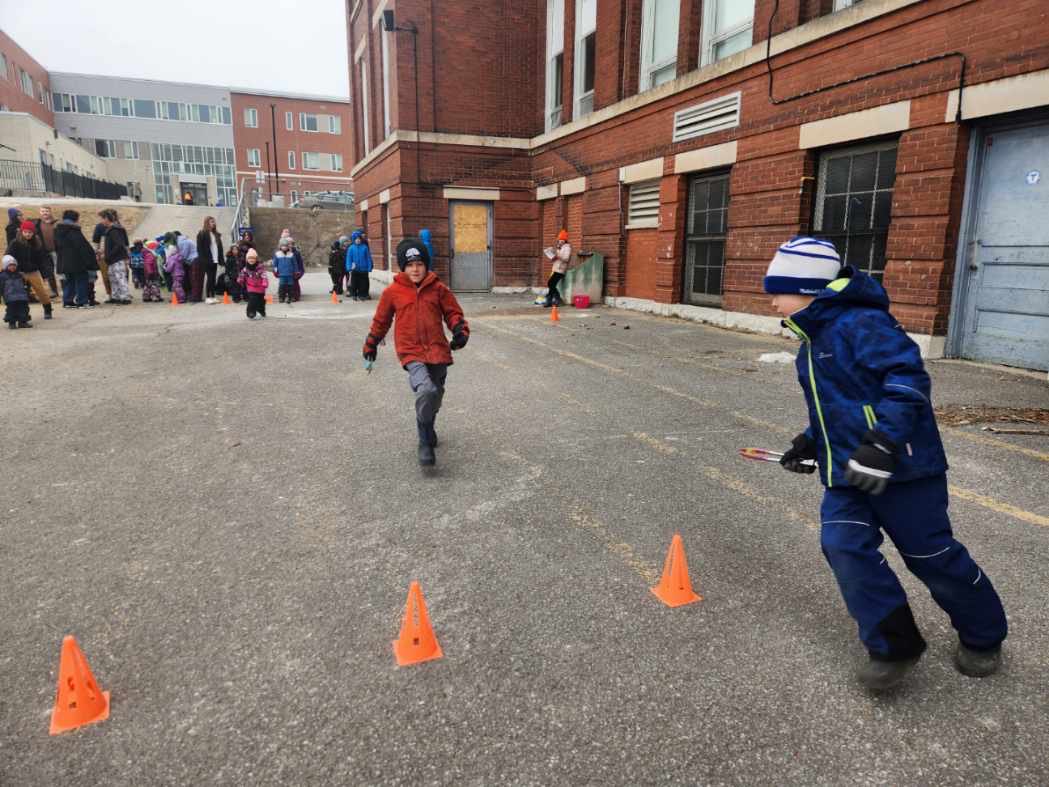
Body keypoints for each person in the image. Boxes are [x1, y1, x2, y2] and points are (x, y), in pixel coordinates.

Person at [766, 236, 1008, 690]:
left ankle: (984, 634)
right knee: (843, 547)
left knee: (932, 557)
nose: (773, 302)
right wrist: (810, 441)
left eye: (778, 291)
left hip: (905, 471)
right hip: (848, 474)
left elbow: (909, 384)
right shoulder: (811, 341)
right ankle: (893, 644)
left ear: (809, 290)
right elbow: (837, 408)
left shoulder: (864, 325)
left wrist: (882, 445)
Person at [363, 237, 469, 467]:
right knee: (426, 389)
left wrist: (460, 330)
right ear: (404, 267)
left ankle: (429, 425)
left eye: (419, 264)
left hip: (438, 350)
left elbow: (453, 313)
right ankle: (424, 440)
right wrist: (371, 342)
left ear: (426, 265)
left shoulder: (439, 289)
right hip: (410, 351)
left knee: (435, 395)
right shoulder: (393, 292)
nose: (415, 269)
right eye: (410, 265)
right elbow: (381, 321)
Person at [5, 220, 53, 319]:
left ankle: (47, 309)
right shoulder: (15, 243)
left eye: (30, 232)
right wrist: (10, 271)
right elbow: (8, 257)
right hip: (19, 272)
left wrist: (44, 275)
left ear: (33, 233)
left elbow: (41, 260)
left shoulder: (37, 243)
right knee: (21, 294)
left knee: (41, 291)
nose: (27, 234)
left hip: (33, 271)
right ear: (21, 232)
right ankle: (23, 314)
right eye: (25, 232)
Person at [54, 210, 96, 309]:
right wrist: (90, 259)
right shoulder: (74, 230)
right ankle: (82, 302)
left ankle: (67, 301)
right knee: (81, 280)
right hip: (77, 261)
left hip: (64, 260)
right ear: (75, 219)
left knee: (69, 281)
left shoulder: (57, 230)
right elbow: (82, 246)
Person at [99, 210, 132, 305]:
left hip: (117, 258)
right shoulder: (110, 230)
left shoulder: (114, 230)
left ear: (106, 219)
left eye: (102, 219)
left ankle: (125, 297)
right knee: (113, 278)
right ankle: (116, 296)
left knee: (120, 277)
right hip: (112, 260)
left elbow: (119, 244)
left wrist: (109, 254)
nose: (101, 221)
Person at [34, 206, 61, 299]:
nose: (45, 213)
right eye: (43, 211)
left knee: (61, 271)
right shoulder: (37, 224)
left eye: (47, 211)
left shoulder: (56, 223)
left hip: (56, 251)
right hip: (44, 252)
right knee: (49, 272)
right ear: (40, 212)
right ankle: (54, 291)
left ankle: (66, 290)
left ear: (50, 212)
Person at [1, 254, 32, 328]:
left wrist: (27, 291)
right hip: (10, 297)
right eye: (10, 265)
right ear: (6, 266)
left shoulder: (20, 275)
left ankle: (23, 322)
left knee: (24, 309)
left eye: (14, 265)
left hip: (22, 296)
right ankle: (12, 323)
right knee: (11, 310)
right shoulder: (2, 276)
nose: (12, 267)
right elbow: (1, 286)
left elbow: (27, 283)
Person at [197, 216, 224, 302]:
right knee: (209, 278)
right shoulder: (202, 234)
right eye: (212, 222)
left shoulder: (216, 234)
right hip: (207, 260)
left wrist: (221, 260)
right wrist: (204, 260)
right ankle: (208, 297)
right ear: (207, 223)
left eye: (214, 222)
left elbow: (220, 248)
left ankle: (213, 296)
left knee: (213, 278)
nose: (214, 223)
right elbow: (200, 249)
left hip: (215, 259)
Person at [237, 248, 268, 320]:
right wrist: (240, 279)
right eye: (249, 258)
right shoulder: (245, 269)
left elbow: (264, 275)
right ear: (247, 259)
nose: (251, 260)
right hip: (251, 287)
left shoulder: (260, 268)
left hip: (260, 287)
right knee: (252, 299)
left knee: (261, 301)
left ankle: (261, 311)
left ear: (256, 259)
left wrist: (265, 282)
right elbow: (242, 275)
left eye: (253, 258)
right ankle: (251, 312)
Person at [544, 229, 572, 308]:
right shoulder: (559, 248)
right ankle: (552, 300)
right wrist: (552, 257)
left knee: (550, 283)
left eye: (562, 240)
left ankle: (555, 298)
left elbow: (566, 258)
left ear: (565, 240)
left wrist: (557, 255)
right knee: (551, 284)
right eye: (559, 240)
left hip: (561, 269)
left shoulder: (567, 248)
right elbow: (557, 258)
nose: (560, 241)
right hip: (556, 268)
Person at [345, 230, 373, 301]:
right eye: (356, 239)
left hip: (364, 269)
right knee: (354, 283)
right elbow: (349, 259)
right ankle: (354, 294)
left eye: (359, 239)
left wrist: (369, 267)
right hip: (355, 269)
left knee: (363, 283)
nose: (358, 240)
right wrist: (349, 267)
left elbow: (368, 258)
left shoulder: (364, 247)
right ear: (354, 240)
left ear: (361, 239)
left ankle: (362, 294)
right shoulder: (351, 248)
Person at [91, 214, 113, 299]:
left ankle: (120, 292)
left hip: (116, 255)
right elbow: (95, 242)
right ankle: (109, 293)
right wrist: (97, 253)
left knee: (119, 275)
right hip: (103, 256)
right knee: (106, 276)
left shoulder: (117, 226)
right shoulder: (99, 227)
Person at [273, 237, 298, 303]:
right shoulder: (277, 254)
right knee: (282, 286)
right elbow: (275, 264)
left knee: (291, 286)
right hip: (281, 274)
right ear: (280, 247)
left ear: (288, 247)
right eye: (282, 246)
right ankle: (281, 297)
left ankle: (291, 297)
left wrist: (296, 271)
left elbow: (295, 264)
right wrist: (275, 271)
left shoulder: (291, 254)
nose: (284, 247)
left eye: (285, 246)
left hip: (290, 274)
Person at [164, 236, 187, 303]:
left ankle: (181, 298)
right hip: (180, 273)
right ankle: (176, 298)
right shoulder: (178, 256)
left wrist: (165, 268)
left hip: (176, 274)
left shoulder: (172, 258)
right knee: (175, 287)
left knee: (177, 287)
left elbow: (169, 268)